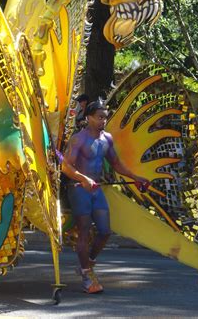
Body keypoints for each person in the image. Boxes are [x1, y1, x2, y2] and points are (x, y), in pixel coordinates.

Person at [62, 101, 149, 293]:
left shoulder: (106, 139)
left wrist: (136, 178)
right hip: (78, 188)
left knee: (105, 231)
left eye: (105, 117)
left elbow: (116, 164)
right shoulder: (78, 139)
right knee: (84, 230)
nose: (103, 120)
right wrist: (83, 178)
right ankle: (86, 275)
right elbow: (66, 166)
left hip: (96, 189)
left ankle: (88, 264)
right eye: (100, 117)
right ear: (89, 118)